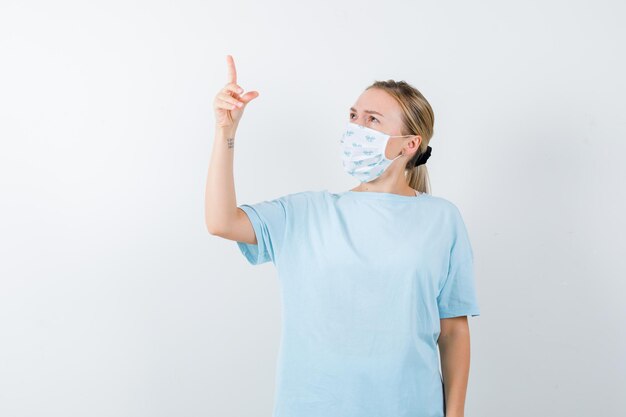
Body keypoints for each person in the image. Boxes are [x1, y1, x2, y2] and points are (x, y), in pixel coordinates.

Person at [205, 55, 481, 417]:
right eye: (354, 116)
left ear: (409, 144)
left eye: (372, 120)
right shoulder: (306, 214)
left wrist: (455, 413)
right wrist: (226, 132)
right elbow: (221, 221)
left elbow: (453, 331)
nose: (356, 128)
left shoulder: (441, 219)